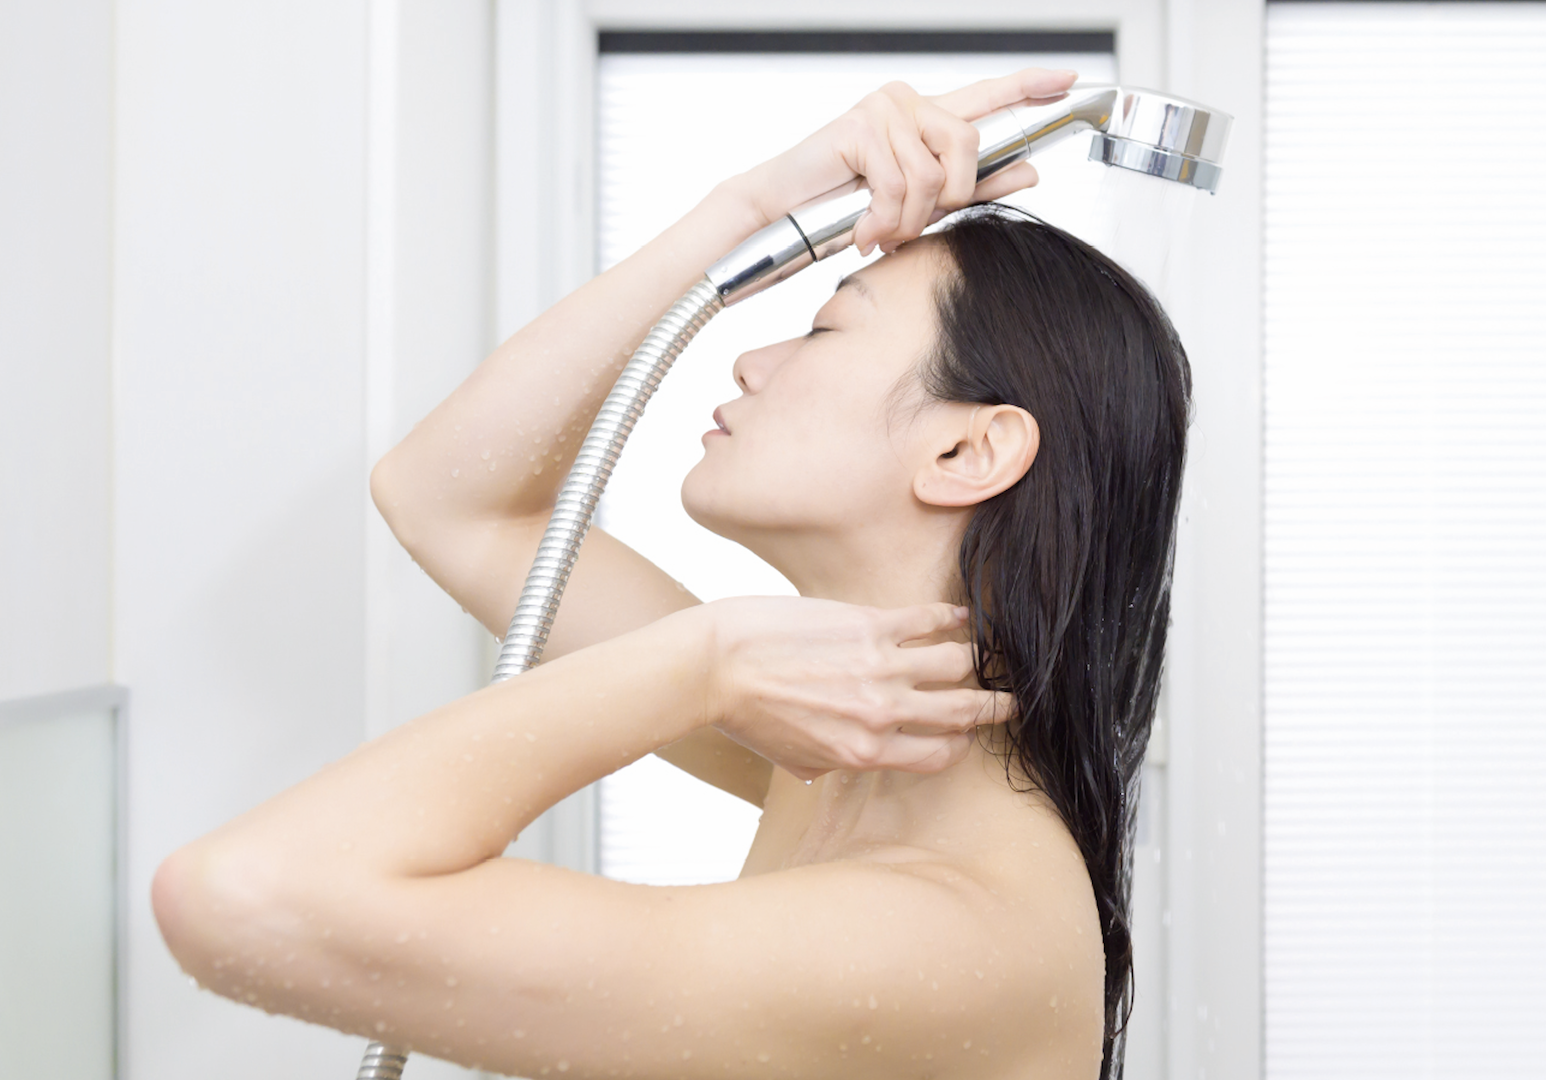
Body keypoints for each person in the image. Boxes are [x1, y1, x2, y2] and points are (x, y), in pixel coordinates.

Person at [151, 65, 1190, 1080]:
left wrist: (708, 660)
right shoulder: (847, 755)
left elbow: (245, 894)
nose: (751, 361)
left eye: (826, 327)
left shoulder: (947, 936)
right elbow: (448, 499)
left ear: (967, 451)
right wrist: (751, 205)